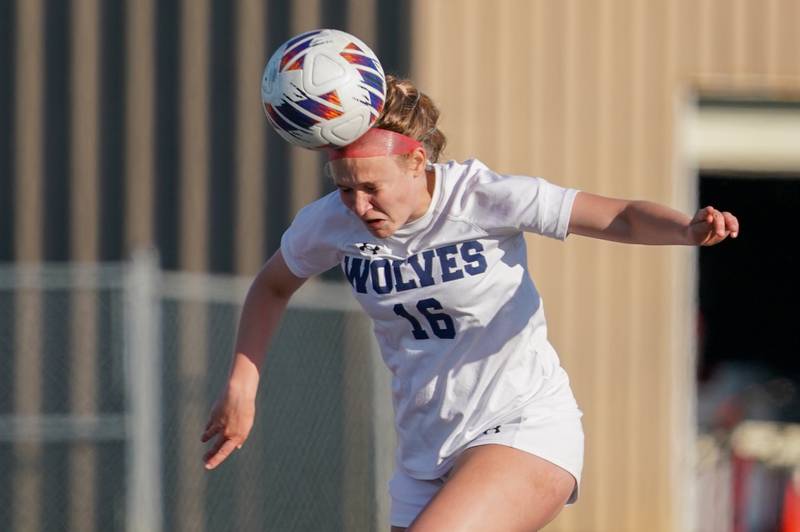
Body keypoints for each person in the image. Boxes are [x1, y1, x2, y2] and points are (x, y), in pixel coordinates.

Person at [201, 75, 739, 531]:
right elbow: (272, 285)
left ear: (416, 162)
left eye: (371, 188)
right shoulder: (331, 223)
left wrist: (686, 229)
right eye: (345, 189)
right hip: (424, 454)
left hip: (523, 428)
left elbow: (616, 215)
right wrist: (241, 386)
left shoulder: (483, 198)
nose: (359, 205)